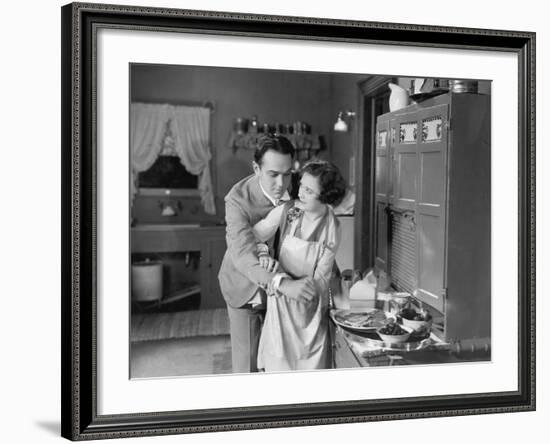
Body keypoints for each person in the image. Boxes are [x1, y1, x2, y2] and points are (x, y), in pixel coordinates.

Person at [218, 135, 317, 373]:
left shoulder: (299, 187)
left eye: (287, 174)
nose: (281, 183)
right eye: (273, 174)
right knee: (248, 369)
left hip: (287, 289)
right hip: (245, 287)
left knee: (284, 364)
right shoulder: (236, 199)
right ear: (256, 168)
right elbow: (242, 253)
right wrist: (282, 284)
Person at [253, 160, 347, 371]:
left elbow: (321, 279)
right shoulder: (287, 211)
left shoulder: (332, 227)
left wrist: (304, 292)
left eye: (309, 190)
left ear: (325, 196)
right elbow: (253, 236)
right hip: (280, 301)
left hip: (309, 309)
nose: (300, 193)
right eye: (301, 186)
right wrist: (263, 253)